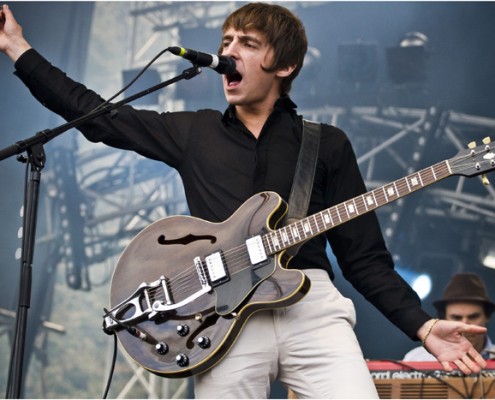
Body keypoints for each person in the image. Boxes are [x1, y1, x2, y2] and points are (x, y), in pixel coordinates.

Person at [0, 2, 489, 398]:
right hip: (222, 315)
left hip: (311, 309)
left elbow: (365, 260)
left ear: (286, 64)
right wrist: (19, 48)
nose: (229, 54)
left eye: (248, 44)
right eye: (226, 43)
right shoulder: (192, 131)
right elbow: (97, 114)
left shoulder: (326, 143)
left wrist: (422, 328)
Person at [404, 272, 495, 361]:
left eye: (473, 317)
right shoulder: (417, 359)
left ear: (487, 316)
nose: (465, 325)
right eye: (456, 318)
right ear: (444, 319)